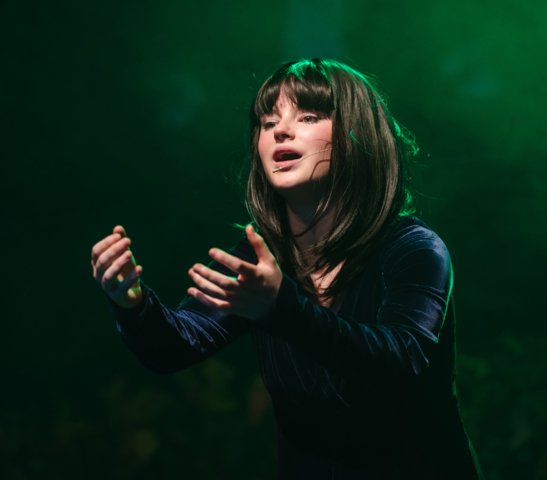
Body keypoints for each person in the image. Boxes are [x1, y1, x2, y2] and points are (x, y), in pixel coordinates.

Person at [91, 58, 483, 479]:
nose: (280, 130)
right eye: (267, 121)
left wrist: (283, 309)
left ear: (356, 135)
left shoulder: (413, 249)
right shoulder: (261, 255)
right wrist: (132, 304)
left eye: (309, 115)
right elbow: (174, 347)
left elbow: (400, 364)